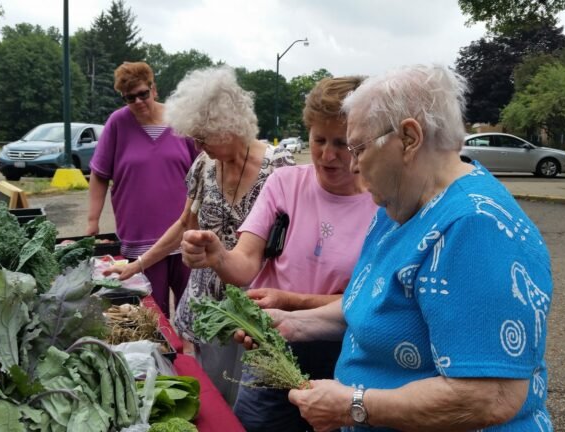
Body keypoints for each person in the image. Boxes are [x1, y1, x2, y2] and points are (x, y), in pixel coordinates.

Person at [234, 65, 554, 431]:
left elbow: (489, 396)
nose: (353, 165)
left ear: (409, 138)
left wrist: (354, 406)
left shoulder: (476, 227)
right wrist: (293, 324)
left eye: (358, 148)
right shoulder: (399, 205)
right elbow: (373, 304)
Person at [181, 76, 377, 431]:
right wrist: (218, 256)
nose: (327, 155)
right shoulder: (285, 183)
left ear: (364, 140)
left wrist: (291, 301)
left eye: (342, 143)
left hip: (344, 352)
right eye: (318, 140)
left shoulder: (383, 203)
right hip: (273, 345)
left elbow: (368, 302)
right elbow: (245, 264)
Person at [107, 65, 294, 404]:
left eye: (203, 137)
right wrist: (137, 265)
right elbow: (184, 224)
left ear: (230, 125)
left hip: (257, 309)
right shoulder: (204, 166)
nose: (197, 145)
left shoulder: (279, 166)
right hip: (209, 309)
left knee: (255, 403)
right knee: (215, 397)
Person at [86, 61, 198, 317]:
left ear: (153, 89)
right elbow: (99, 174)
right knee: (152, 318)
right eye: (129, 98)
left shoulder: (180, 121)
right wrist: (92, 221)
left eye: (142, 94)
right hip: (139, 240)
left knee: (193, 314)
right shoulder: (118, 123)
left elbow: (203, 171)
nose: (138, 101)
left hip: (184, 236)